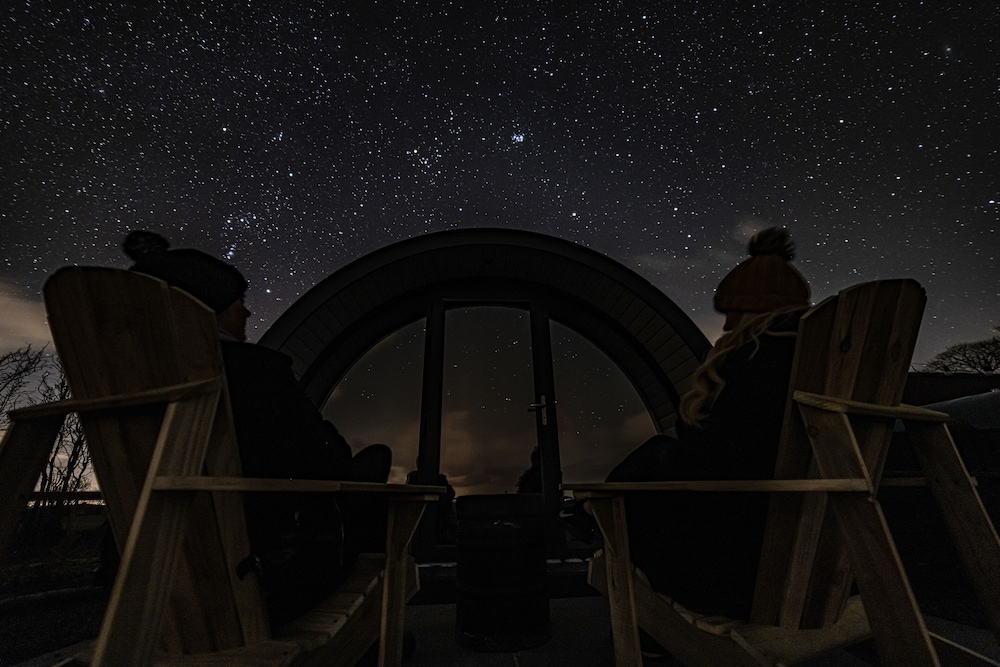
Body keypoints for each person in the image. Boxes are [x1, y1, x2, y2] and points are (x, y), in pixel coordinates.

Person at [120, 230, 391, 626]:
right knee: (372, 466)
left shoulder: (130, 384)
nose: (246, 313)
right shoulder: (255, 374)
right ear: (208, 313)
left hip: (146, 587)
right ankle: (370, 632)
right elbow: (326, 460)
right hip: (260, 579)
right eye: (237, 304)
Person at [606, 226, 811, 622]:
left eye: (734, 312)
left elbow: (719, 455)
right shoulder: (815, 362)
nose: (729, 326)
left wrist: (674, 445)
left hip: (733, 568)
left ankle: (590, 525)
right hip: (802, 550)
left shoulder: (758, 359)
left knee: (649, 463)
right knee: (656, 456)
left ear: (756, 311)